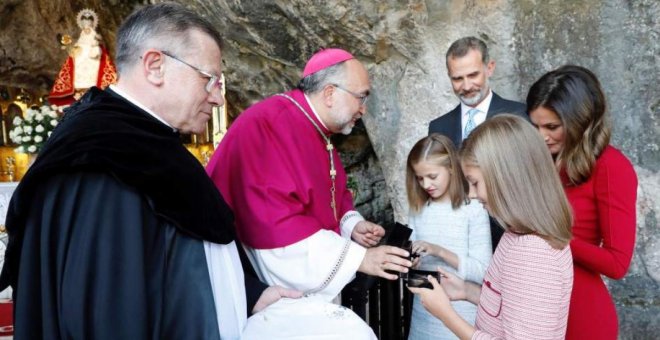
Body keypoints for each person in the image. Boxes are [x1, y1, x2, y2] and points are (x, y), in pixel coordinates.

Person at [0, 3, 299, 339]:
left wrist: (251, 294)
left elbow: (178, 256)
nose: (217, 98)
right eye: (210, 79)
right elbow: (108, 311)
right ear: (155, 66)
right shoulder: (104, 159)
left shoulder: (146, 142)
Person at [207, 48, 412, 339]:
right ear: (330, 93)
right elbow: (275, 225)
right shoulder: (269, 126)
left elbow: (329, 195)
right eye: (361, 97)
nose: (363, 109)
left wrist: (352, 225)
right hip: (268, 288)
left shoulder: (315, 127)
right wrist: (360, 259)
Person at [410, 114, 574, 339]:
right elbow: (511, 308)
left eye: (475, 182)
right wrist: (467, 291)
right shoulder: (518, 234)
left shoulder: (532, 252)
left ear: (505, 178)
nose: (473, 194)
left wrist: (446, 314)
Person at [526, 65, 637, 340]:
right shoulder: (542, 159)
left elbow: (617, 263)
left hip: (580, 314)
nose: (541, 136)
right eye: (535, 126)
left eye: (551, 127)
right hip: (533, 306)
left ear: (580, 121)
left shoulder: (611, 167)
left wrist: (558, 240)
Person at [428, 36, 527, 251]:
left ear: (489, 68)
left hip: (511, 237)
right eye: (457, 78)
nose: (466, 86)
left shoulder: (521, 116)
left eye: (473, 75)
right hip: (458, 245)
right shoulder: (438, 127)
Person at [405, 134, 491, 340]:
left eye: (432, 176)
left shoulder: (474, 209)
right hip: (423, 314)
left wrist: (439, 251)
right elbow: (412, 266)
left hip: (463, 316)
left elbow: (484, 272)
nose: (426, 184)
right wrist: (411, 261)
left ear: (451, 168)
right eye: (419, 178)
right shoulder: (418, 209)